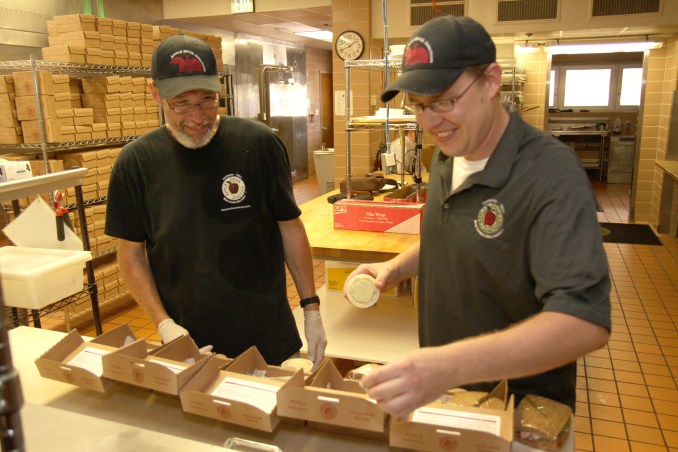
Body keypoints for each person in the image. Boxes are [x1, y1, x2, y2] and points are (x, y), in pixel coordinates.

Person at [345, 15, 611, 416]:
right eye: (417, 106)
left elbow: (584, 322)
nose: (430, 122)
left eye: (444, 101)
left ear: (491, 80)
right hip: (448, 396)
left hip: (519, 412)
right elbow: (453, 236)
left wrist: (447, 366)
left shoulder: (549, 175)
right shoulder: (448, 155)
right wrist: (394, 269)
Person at [105, 34, 327, 369]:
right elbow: (131, 253)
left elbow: (289, 227)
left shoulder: (260, 143)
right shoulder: (136, 162)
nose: (197, 116)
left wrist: (311, 308)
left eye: (207, 100)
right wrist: (163, 324)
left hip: (269, 336)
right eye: (181, 103)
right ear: (156, 94)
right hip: (189, 343)